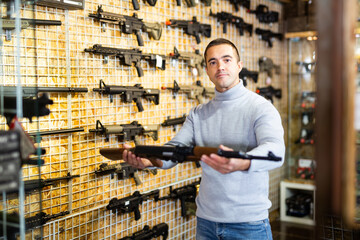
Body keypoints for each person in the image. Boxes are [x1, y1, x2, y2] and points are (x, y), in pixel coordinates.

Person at [122, 38, 285, 240]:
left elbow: (276, 151)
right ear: (207, 71)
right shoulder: (198, 114)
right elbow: (175, 150)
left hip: (248, 225)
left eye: (226, 60)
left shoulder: (260, 107)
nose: (220, 67)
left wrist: (243, 162)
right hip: (206, 223)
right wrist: (149, 161)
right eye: (213, 62)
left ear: (239, 66)